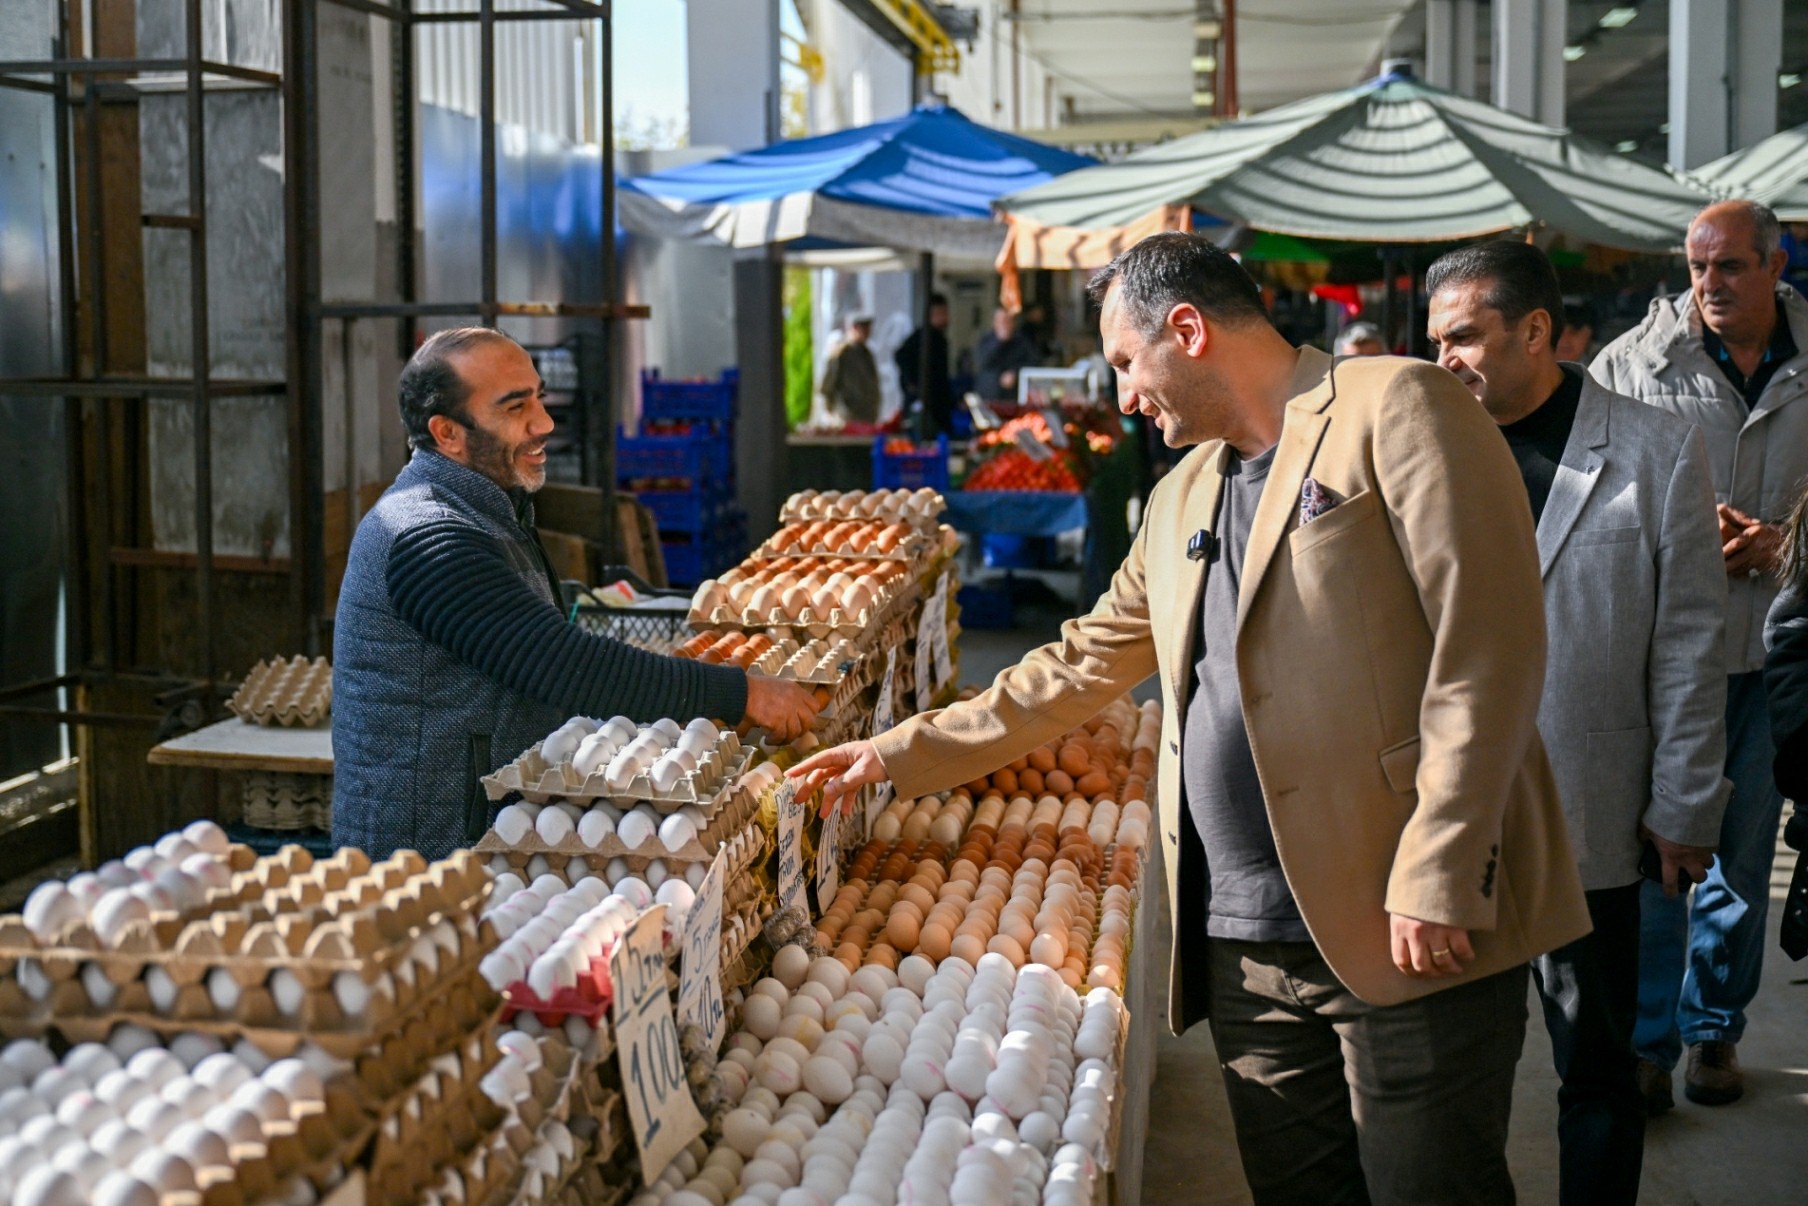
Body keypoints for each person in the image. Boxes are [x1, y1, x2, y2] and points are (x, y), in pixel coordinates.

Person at [793, 232, 1590, 1205]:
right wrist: (893, 753)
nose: (1123, 395)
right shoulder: (1179, 497)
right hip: (1243, 947)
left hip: (1400, 924)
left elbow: (1486, 646)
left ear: (1187, 329)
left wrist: (1438, 866)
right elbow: (1078, 664)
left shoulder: (1396, 406)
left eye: (1125, 363)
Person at [1426, 241, 1730, 1206]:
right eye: (1435, 342)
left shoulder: (1653, 448)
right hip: (1447, 817)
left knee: (1596, 1071)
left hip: (1586, 807)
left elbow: (1688, 639)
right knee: (1447, 1077)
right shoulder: (1421, 445)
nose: (1447, 362)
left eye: (1465, 337)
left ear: (1537, 331)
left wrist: (1686, 802)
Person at [331, 328, 819, 860]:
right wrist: (742, 693)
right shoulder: (427, 535)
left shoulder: (491, 510)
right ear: (448, 433)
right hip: (427, 854)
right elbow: (561, 664)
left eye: (539, 397)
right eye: (516, 407)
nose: (544, 423)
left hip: (486, 831)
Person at [1592, 199, 1808, 1109]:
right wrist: (1677, 534)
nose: (1709, 285)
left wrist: (1787, 546)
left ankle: (1714, 1031)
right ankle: (1646, 1044)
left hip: (1779, 657)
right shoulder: (1636, 365)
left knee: (1743, 855)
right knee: (1658, 849)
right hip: (1668, 655)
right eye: (1696, 268)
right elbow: (1587, 489)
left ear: (1775, 265)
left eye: (1729, 268)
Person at [896, 292, 952, 436]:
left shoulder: (938, 339)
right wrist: (913, 385)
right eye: (943, 313)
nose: (947, 318)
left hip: (936, 404)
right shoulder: (923, 338)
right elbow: (901, 356)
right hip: (927, 406)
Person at [819, 313, 880, 423]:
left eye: (868, 328)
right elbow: (828, 384)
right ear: (854, 328)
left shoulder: (867, 353)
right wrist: (829, 411)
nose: (867, 332)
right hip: (848, 415)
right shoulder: (842, 353)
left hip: (868, 415)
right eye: (863, 328)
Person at [973, 306, 1040, 402]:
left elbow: (1033, 363)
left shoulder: (1023, 342)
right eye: (1001, 321)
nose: (1004, 325)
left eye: (1008, 321)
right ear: (994, 323)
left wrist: (1015, 373)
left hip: (1014, 399)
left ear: (1014, 323)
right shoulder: (986, 341)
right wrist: (999, 342)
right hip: (989, 397)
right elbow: (982, 361)